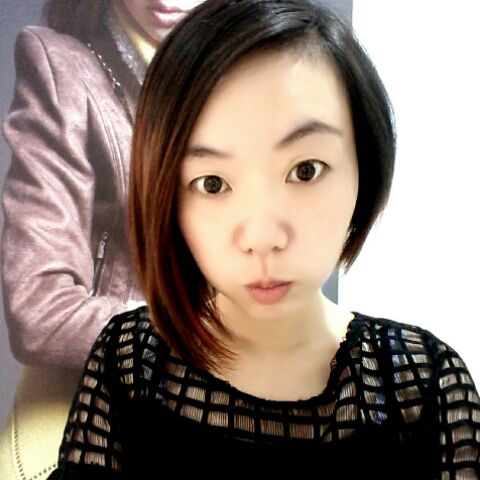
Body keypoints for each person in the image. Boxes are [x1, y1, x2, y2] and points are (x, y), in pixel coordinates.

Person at [47, 0, 480, 478]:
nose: (262, 237)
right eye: (212, 183)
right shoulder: (130, 362)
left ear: (365, 165)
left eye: (305, 170)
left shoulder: (425, 384)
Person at [0, 1, 203, 479]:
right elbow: (39, 311)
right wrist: (200, 339)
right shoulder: (64, 68)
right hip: (104, 389)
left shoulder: (264, 67)